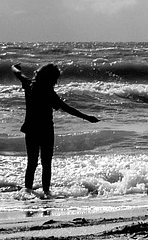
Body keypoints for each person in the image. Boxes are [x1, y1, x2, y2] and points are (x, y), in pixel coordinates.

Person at [12, 62, 99, 197]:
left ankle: (27, 192)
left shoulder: (29, 85)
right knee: (46, 163)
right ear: (50, 78)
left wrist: (15, 67)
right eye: (54, 79)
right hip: (46, 130)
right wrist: (87, 117)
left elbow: (18, 73)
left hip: (31, 129)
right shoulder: (49, 93)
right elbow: (67, 108)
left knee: (32, 163)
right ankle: (46, 192)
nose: (55, 82)